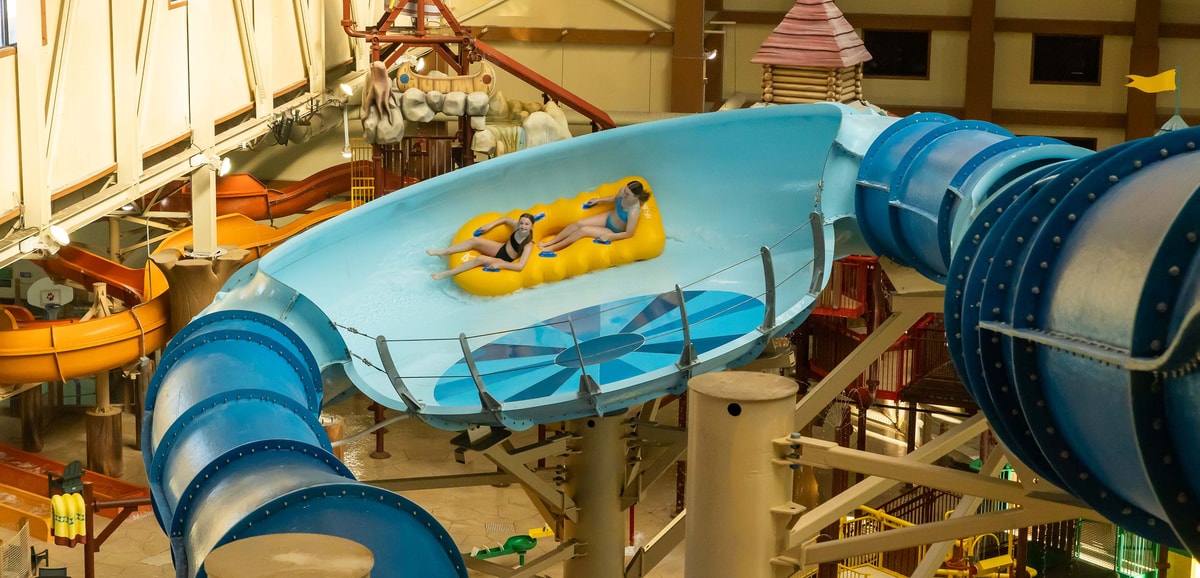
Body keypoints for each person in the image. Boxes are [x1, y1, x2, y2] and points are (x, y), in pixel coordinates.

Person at [537, 181, 650, 254]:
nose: (624, 195)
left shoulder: (633, 212)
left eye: (628, 195)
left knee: (583, 231)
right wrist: (599, 200)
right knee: (579, 223)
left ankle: (554, 247)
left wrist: (610, 236)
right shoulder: (623, 190)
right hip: (608, 217)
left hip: (613, 229)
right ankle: (551, 242)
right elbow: (615, 198)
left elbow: (629, 233)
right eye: (625, 191)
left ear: (636, 196)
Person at [428, 213, 536, 280]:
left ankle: (447, 274)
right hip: (500, 248)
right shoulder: (517, 226)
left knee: (480, 259)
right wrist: (490, 225)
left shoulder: (528, 244)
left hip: (504, 259)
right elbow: (505, 219)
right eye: (521, 223)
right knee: (475, 240)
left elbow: (520, 266)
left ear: (532, 226)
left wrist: (500, 265)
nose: (523, 226)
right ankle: (444, 252)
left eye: (526, 224)